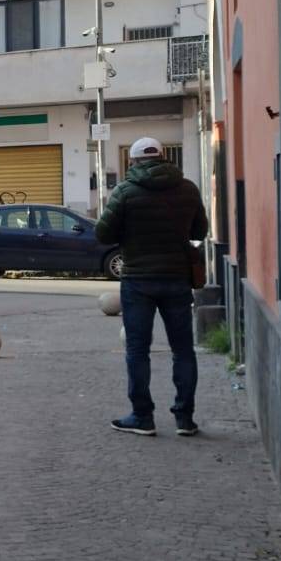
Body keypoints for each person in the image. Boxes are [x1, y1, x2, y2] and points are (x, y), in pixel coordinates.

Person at [96, 136, 209, 437]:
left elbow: (103, 235)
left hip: (138, 281)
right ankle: (185, 419)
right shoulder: (187, 189)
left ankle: (142, 417)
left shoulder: (124, 192)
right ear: (163, 157)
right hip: (177, 278)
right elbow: (200, 230)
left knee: (137, 351)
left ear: (133, 162)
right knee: (183, 350)